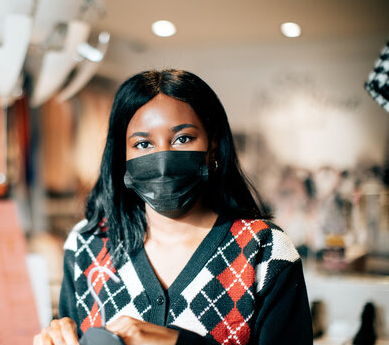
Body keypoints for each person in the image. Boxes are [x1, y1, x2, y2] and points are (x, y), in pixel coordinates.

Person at [34, 69, 313, 345]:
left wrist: (177, 343)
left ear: (212, 146)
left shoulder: (264, 250)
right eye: (143, 144)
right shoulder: (87, 245)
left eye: (182, 139)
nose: (163, 160)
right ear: (122, 156)